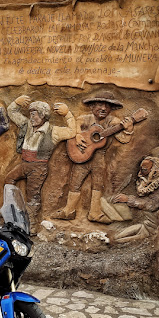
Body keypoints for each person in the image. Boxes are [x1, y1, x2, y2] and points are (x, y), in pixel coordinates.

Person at [53, 91, 134, 223]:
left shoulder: (114, 122)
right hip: (82, 155)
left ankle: (95, 213)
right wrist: (77, 136)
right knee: (75, 182)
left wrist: (128, 129)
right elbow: (74, 128)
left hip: (99, 158)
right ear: (92, 107)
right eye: (100, 105)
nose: (103, 108)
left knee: (98, 183)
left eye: (107, 106)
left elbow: (123, 139)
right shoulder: (84, 118)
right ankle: (69, 211)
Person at [5, 95, 76, 233]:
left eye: (34, 114)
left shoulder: (53, 131)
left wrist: (67, 114)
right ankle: (11, 210)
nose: (32, 117)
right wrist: (16, 102)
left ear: (43, 115)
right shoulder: (26, 125)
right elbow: (12, 112)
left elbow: (72, 132)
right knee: (9, 179)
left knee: (33, 196)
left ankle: (31, 225)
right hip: (24, 163)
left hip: (38, 168)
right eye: (30, 114)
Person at [111, 156, 159, 243]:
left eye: (144, 170)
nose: (140, 174)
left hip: (155, 230)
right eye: (141, 169)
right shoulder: (147, 182)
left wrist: (128, 199)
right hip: (145, 226)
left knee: (119, 241)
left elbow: (151, 205)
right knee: (116, 237)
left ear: (154, 171)